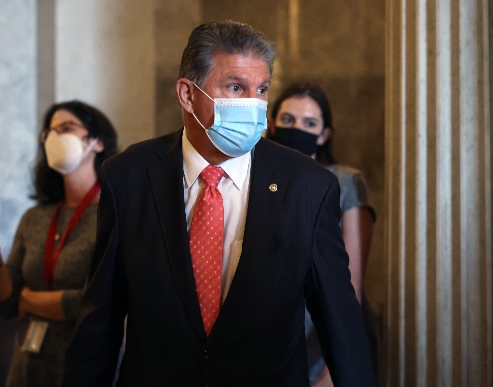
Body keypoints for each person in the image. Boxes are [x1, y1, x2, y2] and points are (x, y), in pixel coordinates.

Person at [63, 20, 377, 387]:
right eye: (235, 87)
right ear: (187, 94)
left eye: (261, 90)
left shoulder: (307, 185)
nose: (253, 105)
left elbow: (340, 321)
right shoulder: (129, 176)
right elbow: (101, 316)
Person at [0, 100, 118, 386]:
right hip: (26, 369)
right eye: (49, 133)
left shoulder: (114, 214)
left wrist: (28, 299)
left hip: (86, 368)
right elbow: (6, 304)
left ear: (98, 142)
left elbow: (98, 303)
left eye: (66, 128)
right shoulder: (35, 217)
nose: (55, 139)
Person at [267, 83, 378, 385]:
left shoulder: (345, 182)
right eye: (288, 120)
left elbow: (349, 288)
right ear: (273, 123)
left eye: (309, 123)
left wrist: (331, 374)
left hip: (322, 339)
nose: (297, 129)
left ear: (325, 134)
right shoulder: (259, 178)